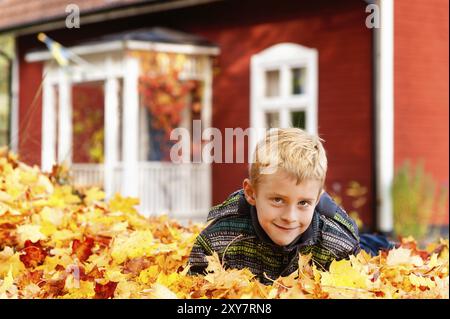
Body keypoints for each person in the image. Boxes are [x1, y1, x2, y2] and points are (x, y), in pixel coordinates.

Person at [188, 128, 391, 284]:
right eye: (278, 200)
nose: (290, 217)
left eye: (303, 203)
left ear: (317, 200)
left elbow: (354, 284)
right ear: (251, 193)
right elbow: (195, 287)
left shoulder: (338, 242)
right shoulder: (219, 238)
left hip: (345, 238)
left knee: (372, 246)